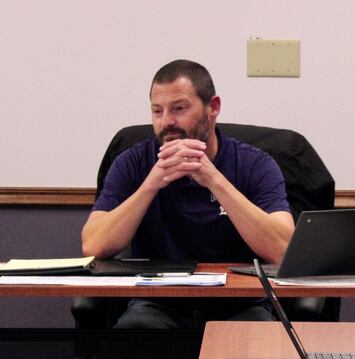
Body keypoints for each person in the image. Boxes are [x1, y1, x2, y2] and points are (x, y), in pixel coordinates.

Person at [81, 59, 294, 328]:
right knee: (134, 334)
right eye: (157, 111)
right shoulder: (133, 162)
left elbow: (283, 250)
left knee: (258, 340)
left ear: (213, 108)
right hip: (158, 302)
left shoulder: (255, 164)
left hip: (239, 302)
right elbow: (93, 245)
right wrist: (151, 184)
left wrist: (214, 180)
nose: (167, 122)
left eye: (179, 109)